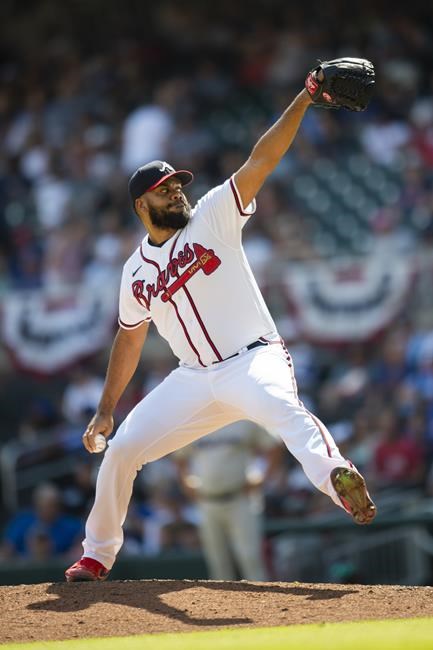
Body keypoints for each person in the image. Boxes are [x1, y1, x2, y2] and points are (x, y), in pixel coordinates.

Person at [65, 66, 377, 582]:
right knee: (120, 451)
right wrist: (105, 410)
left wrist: (305, 97)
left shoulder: (212, 215)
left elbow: (263, 158)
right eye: (166, 190)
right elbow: (130, 334)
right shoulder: (135, 271)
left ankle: (337, 476)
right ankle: (97, 555)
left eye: (178, 185)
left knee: (284, 411)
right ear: (142, 205)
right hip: (193, 378)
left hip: (254, 357)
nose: (177, 193)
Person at [175, 420, 283, 581]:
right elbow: (179, 456)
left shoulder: (243, 419)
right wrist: (185, 481)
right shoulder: (195, 419)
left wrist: (262, 478)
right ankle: (221, 606)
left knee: (250, 557)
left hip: (240, 498)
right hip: (207, 500)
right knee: (217, 560)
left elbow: (274, 447)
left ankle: (262, 602)